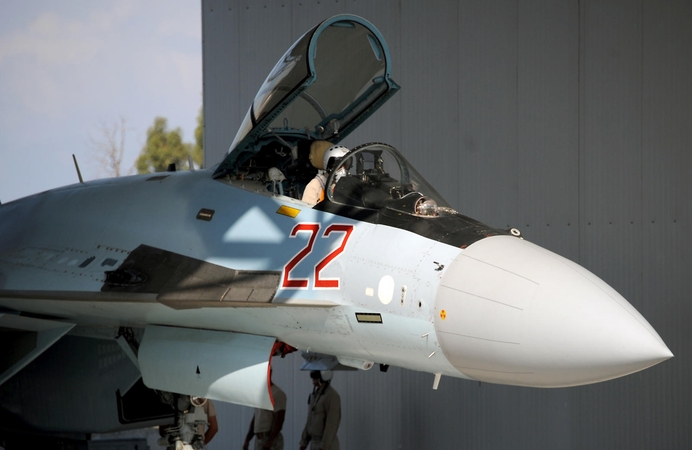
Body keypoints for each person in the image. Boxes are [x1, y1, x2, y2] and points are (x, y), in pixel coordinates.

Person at [243, 373, 287, 450]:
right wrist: (248, 439)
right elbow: (256, 417)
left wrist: (270, 441)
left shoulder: (277, 393)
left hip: (269, 438)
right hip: (259, 439)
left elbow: (279, 419)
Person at [299, 370, 341, 450]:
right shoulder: (315, 395)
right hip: (314, 443)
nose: (313, 380)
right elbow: (310, 420)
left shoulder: (331, 396)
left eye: (315, 377)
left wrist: (323, 446)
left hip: (327, 445)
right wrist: (304, 442)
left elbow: (331, 424)